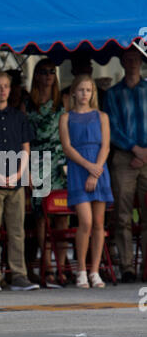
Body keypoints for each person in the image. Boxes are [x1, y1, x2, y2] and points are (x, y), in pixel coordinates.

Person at [0, 72, 39, 292]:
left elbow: (26, 148)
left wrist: (18, 175)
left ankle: (19, 274)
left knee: (17, 231)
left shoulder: (19, 116)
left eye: (6, 86)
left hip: (16, 180)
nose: (3, 90)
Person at [59, 74, 113, 288]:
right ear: (74, 92)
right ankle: (81, 269)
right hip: (79, 169)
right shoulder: (66, 117)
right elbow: (67, 147)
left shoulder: (102, 116)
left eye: (88, 90)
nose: (84, 94)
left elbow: (106, 146)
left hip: (99, 170)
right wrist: (88, 168)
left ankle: (95, 271)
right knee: (86, 221)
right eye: (81, 90)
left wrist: (96, 170)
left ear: (93, 93)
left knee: (99, 223)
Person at [103, 47, 147, 283]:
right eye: (128, 59)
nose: (132, 63)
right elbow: (112, 128)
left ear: (141, 62)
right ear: (122, 62)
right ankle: (127, 267)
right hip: (124, 157)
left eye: (136, 59)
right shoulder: (112, 94)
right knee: (123, 215)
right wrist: (134, 148)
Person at [25, 58, 68, 287]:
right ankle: (47, 264)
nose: (48, 76)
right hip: (36, 162)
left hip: (59, 161)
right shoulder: (26, 102)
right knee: (41, 216)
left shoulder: (63, 101)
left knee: (61, 215)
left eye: (52, 71)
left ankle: (61, 265)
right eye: (43, 72)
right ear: (36, 76)